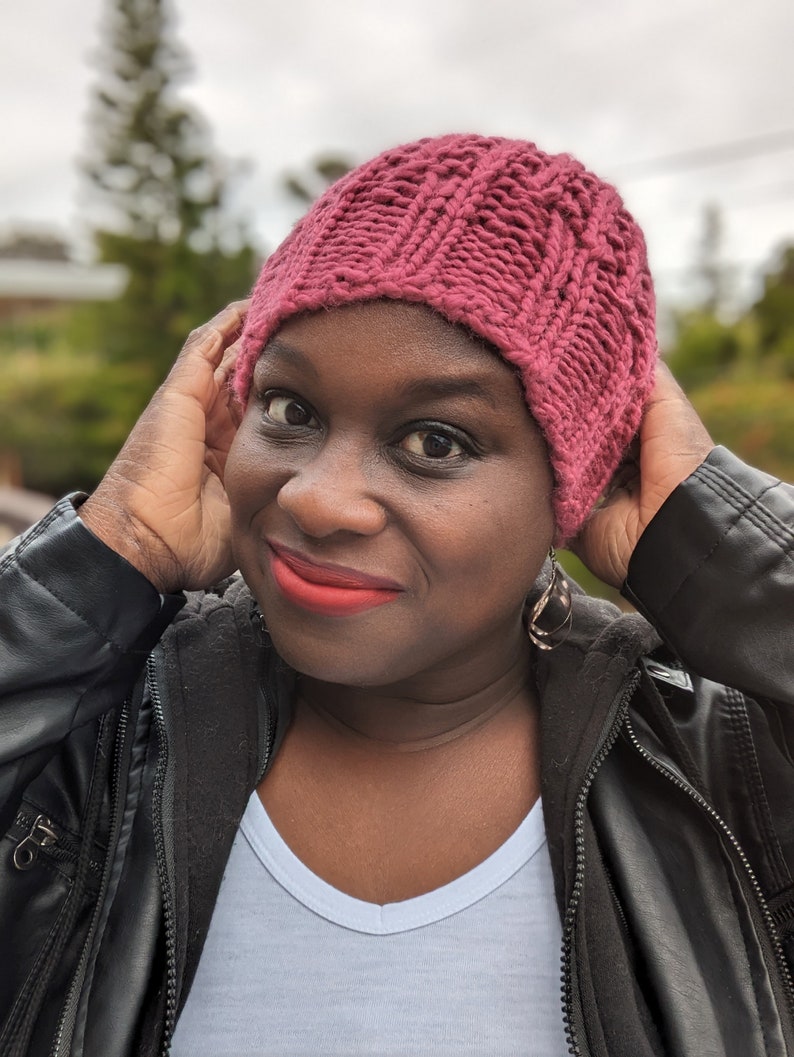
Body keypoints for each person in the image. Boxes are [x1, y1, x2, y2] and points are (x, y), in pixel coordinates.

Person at [0, 133, 791, 1057]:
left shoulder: (724, 773)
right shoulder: (97, 746)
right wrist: (116, 549)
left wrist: (709, 541)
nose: (317, 498)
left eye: (436, 441)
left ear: (577, 482)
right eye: (291, 409)